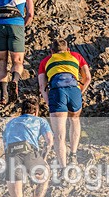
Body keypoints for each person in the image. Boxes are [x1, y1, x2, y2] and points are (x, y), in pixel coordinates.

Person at [38, 38, 92, 166]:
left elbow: (42, 86)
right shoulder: (76, 56)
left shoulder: (45, 61)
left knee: (59, 135)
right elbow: (88, 77)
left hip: (57, 92)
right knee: (74, 120)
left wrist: (48, 102)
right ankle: (73, 155)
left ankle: (63, 167)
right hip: (74, 91)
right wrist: (79, 92)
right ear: (68, 49)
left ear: (52, 51)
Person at [3, 96, 53, 197]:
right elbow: (49, 141)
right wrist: (43, 158)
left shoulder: (10, 123)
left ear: (22, 111)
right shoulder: (40, 120)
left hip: (11, 155)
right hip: (29, 152)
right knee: (46, 174)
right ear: (36, 112)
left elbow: (5, 143)